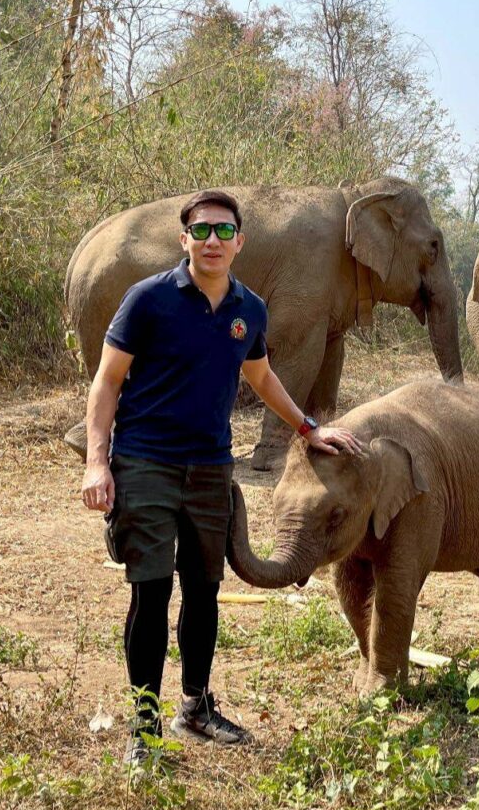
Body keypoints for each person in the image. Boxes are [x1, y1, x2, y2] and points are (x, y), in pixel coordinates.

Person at [79, 189, 362, 766]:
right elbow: (106, 382)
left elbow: (262, 377)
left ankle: (195, 707)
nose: (213, 240)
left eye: (224, 231)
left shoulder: (248, 308)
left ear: (240, 242)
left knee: (204, 589)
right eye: (202, 230)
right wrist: (96, 461)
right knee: (151, 592)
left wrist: (308, 428)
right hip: (145, 463)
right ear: (184, 239)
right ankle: (144, 725)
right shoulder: (148, 299)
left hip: (211, 466)